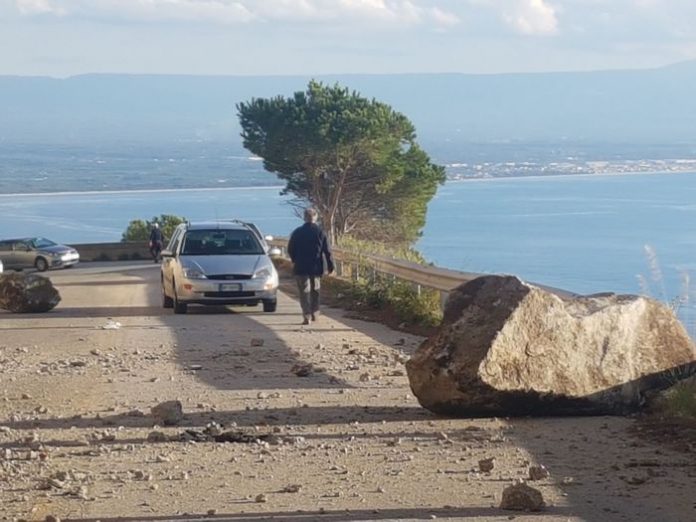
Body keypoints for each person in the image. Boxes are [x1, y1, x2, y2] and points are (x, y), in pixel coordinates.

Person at [287, 207, 334, 325]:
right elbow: (327, 251)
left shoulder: (297, 232)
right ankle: (314, 312)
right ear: (315, 217)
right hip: (316, 267)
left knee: (304, 292)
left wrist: (294, 259)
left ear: (304, 217)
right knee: (315, 291)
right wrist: (330, 266)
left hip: (301, 267)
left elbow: (290, 249)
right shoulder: (320, 232)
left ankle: (306, 315)